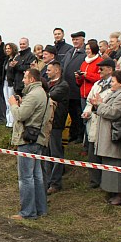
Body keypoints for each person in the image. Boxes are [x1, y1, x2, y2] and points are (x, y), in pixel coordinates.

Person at [8, 68, 52, 220]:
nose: (23, 80)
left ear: (32, 79)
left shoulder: (33, 95)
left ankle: (27, 212)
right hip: (37, 138)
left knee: (26, 178)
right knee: (37, 176)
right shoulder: (43, 93)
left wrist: (13, 104)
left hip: (27, 140)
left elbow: (20, 115)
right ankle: (40, 209)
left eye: (25, 78)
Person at [92, 70, 121, 205]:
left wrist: (99, 104)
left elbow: (113, 112)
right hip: (107, 136)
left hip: (116, 137)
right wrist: (97, 105)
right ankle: (112, 192)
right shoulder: (115, 94)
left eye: (114, 81)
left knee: (116, 167)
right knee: (109, 165)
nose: (111, 84)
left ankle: (120, 194)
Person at [82, 59, 115, 189]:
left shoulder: (114, 86)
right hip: (94, 121)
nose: (99, 71)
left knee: (105, 154)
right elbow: (89, 102)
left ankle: (106, 182)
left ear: (110, 69)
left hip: (106, 122)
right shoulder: (97, 84)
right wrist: (87, 112)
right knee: (92, 152)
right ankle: (94, 180)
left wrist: (98, 105)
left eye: (102, 68)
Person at [45, 61, 69, 194]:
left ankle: (55, 182)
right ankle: (48, 181)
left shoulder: (63, 86)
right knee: (47, 154)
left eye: (49, 70)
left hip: (56, 124)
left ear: (57, 71)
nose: (47, 72)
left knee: (55, 154)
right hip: (48, 123)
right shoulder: (49, 84)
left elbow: (48, 97)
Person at [62, 31, 87, 143]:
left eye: (77, 39)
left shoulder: (85, 53)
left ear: (83, 39)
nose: (75, 42)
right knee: (72, 113)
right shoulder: (70, 52)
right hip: (68, 88)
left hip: (78, 88)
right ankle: (74, 133)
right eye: (73, 40)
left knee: (79, 113)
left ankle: (80, 136)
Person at [76, 39, 102, 113]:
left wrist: (86, 75)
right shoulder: (84, 63)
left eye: (88, 49)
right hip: (83, 95)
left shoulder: (100, 62)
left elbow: (100, 77)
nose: (86, 51)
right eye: (86, 49)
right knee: (84, 118)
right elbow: (79, 82)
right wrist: (78, 77)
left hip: (93, 95)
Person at [2, 43, 18, 127]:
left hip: (11, 83)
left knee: (12, 101)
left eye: (9, 48)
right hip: (5, 82)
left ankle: (12, 121)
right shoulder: (7, 59)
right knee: (7, 102)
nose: (7, 50)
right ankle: (8, 120)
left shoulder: (15, 59)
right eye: (6, 48)